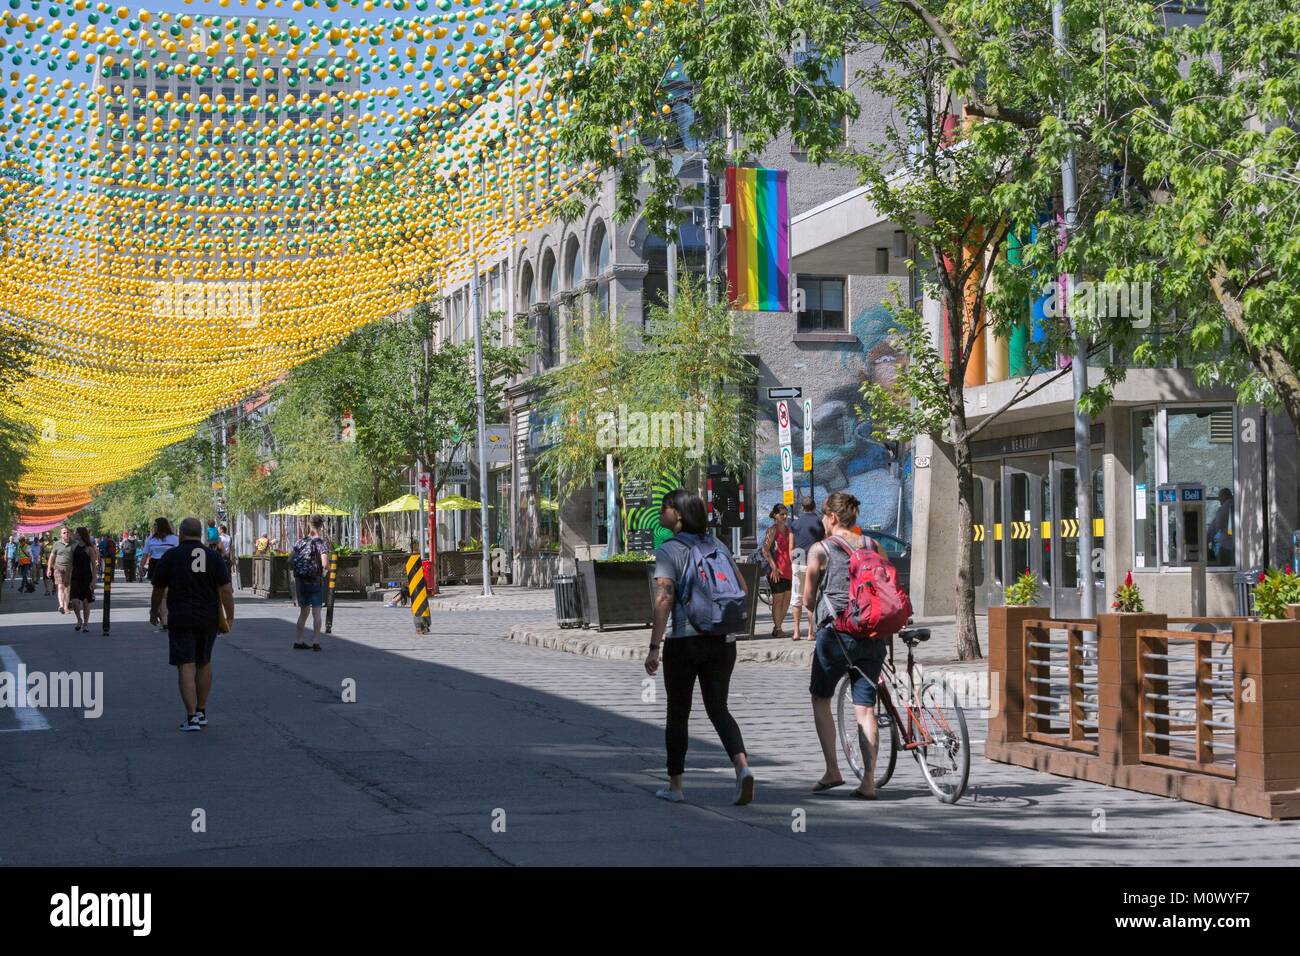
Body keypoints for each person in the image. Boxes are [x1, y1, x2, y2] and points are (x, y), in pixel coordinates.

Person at [646, 489, 754, 806]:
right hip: (722, 640)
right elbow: (742, 588)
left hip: (685, 642)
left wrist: (654, 646)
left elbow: (664, 597)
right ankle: (743, 769)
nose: (661, 513)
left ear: (677, 514)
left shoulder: (669, 550)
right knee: (718, 709)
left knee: (678, 713)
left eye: (664, 507)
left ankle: (676, 786)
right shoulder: (716, 545)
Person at [802, 492, 889, 799]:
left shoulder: (820, 550)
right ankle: (868, 781)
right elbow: (887, 587)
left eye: (825, 515)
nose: (823, 521)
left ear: (833, 518)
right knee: (865, 710)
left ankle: (832, 770)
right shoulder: (873, 545)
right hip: (872, 635)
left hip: (836, 636)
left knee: (820, 698)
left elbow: (808, 600)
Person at [149, 516, 234, 732]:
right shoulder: (213, 556)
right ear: (201, 534)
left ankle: (191, 717)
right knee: (204, 662)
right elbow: (225, 589)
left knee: (185, 665)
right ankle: (202, 711)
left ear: (181, 533)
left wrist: (154, 611)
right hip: (208, 617)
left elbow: (158, 588)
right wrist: (230, 616)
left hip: (180, 616)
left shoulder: (172, 556)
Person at [291, 515, 330, 651]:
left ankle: (298, 640)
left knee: (303, 613)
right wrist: (324, 572)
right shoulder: (321, 543)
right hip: (315, 582)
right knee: (317, 613)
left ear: (309, 524)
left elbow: (290, 560)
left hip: (301, 582)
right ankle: (316, 641)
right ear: (322, 525)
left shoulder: (300, 542)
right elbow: (325, 563)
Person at [791, 496, 825, 643]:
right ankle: (811, 633)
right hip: (814, 561)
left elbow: (791, 545)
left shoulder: (795, 523)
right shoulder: (819, 522)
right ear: (813, 507)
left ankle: (796, 632)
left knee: (796, 596)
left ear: (802, 508)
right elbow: (824, 542)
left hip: (798, 560)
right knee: (812, 596)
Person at [761, 503, 795, 639]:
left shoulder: (788, 530)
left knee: (787, 599)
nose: (785, 516)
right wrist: (774, 567)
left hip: (788, 569)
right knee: (778, 599)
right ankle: (778, 628)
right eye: (782, 514)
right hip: (776, 570)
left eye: (786, 514)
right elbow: (765, 550)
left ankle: (777, 627)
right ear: (775, 515)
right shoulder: (772, 530)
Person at [143, 519, 179, 627]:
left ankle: (160, 613)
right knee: (160, 592)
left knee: (166, 592)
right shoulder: (150, 539)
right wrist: (141, 566)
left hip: (170, 565)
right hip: (155, 565)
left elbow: (178, 553)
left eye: (155, 525)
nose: (154, 527)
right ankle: (165, 620)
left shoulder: (174, 539)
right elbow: (145, 554)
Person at [68, 527, 98, 632]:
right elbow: (71, 563)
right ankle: (79, 619)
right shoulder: (74, 547)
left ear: (81, 535)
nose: (75, 534)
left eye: (76, 533)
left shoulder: (89, 548)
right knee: (75, 600)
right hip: (75, 577)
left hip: (86, 577)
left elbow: (94, 565)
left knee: (86, 602)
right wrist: (68, 577)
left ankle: (85, 624)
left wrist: (94, 580)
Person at [46, 526, 76, 614]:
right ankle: (61, 606)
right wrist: (49, 568)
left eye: (67, 532)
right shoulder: (57, 544)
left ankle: (66, 607)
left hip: (69, 569)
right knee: (60, 586)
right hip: (58, 568)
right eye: (64, 533)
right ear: (60, 535)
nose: (66, 534)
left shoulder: (74, 543)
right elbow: (52, 557)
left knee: (67, 587)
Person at [1208, 488, 1234, 566]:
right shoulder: (1237, 506)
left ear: (1224, 496)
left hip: (1227, 547)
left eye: (1220, 498)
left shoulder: (1224, 508)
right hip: (1236, 546)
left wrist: (1204, 541)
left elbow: (1214, 527)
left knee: (1223, 568)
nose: (1220, 501)